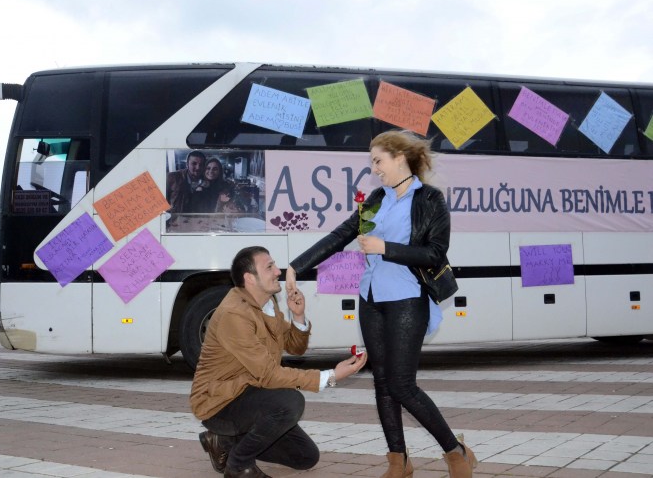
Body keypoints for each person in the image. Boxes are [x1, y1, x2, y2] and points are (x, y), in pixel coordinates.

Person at [286, 131, 478, 478]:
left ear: (400, 157)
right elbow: (340, 235)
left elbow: (435, 254)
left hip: (408, 298)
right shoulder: (376, 198)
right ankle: (398, 461)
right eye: (372, 162)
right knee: (383, 383)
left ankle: (455, 451)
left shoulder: (430, 199)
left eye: (378, 161)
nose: (374, 169)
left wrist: (385, 248)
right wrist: (296, 266)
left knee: (402, 385)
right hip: (371, 299)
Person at [190, 246, 368, 478]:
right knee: (290, 402)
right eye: (269, 267)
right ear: (250, 278)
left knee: (305, 457)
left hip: (249, 390)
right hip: (220, 402)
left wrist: (298, 316)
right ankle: (239, 466)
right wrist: (330, 376)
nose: (277, 272)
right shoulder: (234, 314)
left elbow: (295, 347)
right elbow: (269, 374)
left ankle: (223, 441)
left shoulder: (267, 303)